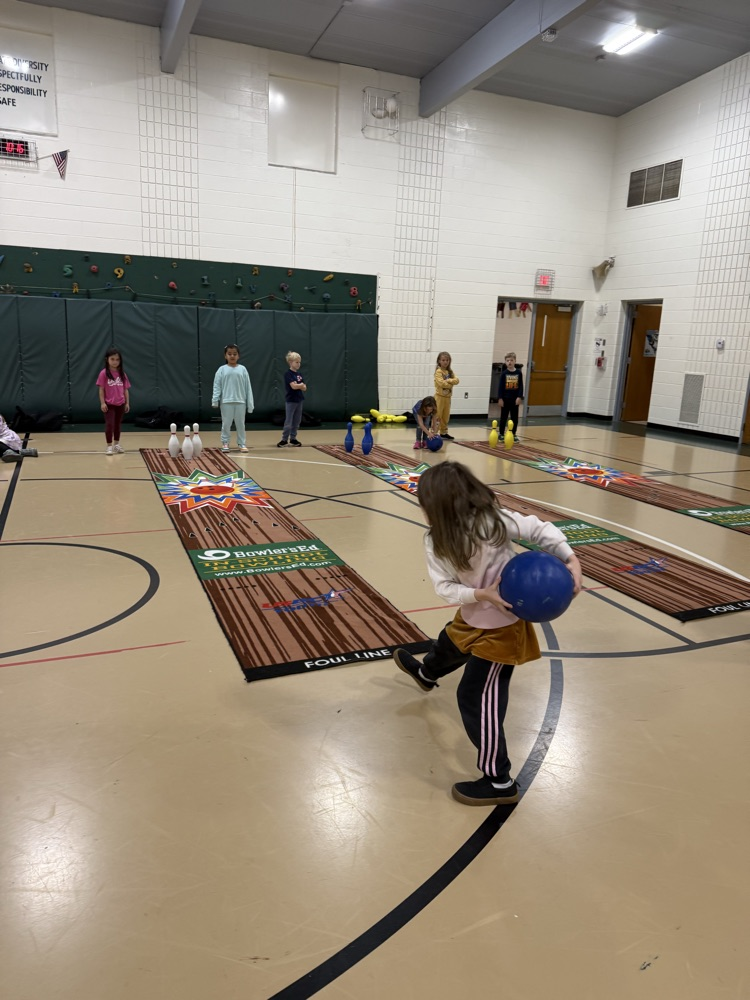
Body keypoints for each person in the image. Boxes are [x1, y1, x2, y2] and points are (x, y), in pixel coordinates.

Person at [392, 461, 582, 806]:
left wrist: (571, 559)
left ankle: (498, 780)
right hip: (474, 611)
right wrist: (481, 595)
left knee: (477, 697)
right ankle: (426, 673)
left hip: (504, 629)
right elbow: (445, 587)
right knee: (451, 641)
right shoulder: (436, 541)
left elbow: (538, 529)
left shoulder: (493, 523)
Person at [212, 344, 254, 453]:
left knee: (240, 424)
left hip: (240, 402)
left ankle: (242, 443)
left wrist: (250, 405)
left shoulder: (243, 369)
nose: (232, 356)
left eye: (234, 354)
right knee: (226, 424)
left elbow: (248, 387)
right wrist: (215, 400)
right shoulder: (221, 370)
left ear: (238, 356)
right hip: (226, 402)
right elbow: (217, 386)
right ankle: (225, 443)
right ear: (225, 356)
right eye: (229, 354)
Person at [96, 348, 130, 455]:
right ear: (107, 360)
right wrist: (102, 403)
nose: (115, 361)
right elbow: (101, 389)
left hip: (120, 404)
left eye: (117, 359)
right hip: (109, 404)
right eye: (112, 359)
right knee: (110, 424)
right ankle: (109, 446)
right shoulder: (103, 373)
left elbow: (125, 389)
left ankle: (116, 444)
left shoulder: (122, 374)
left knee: (117, 425)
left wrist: (127, 403)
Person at [277, 351, 306, 448]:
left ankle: (293, 438)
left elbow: (304, 387)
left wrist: (300, 386)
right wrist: (300, 385)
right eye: (296, 362)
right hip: (291, 400)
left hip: (299, 400)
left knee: (297, 421)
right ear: (290, 362)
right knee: (289, 421)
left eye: (299, 362)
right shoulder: (288, 374)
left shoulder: (299, 374)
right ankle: (284, 439)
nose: (298, 364)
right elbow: (293, 386)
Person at [433, 352, 460, 439]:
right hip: (439, 397)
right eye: (443, 360)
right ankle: (434, 432)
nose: (445, 362)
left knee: (446, 416)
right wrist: (450, 383)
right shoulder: (438, 371)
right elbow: (441, 383)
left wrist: (448, 381)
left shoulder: (450, 372)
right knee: (438, 415)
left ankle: (443, 432)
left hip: (447, 398)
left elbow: (457, 380)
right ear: (439, 361)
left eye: (447, 360)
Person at [498, 352, 524, 439]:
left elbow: (520, 386)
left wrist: (519, 397)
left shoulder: (518, 373)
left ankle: (513, 433)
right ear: (505, 362)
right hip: (505, 399)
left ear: (515, 361)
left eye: (511, 360)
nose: (509, 362)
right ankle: (501, 433)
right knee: (503, 417)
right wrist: (500, 398)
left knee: (514, 418)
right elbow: (500, 387)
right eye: (507, 360)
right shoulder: (504, 374)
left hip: (514, 399)